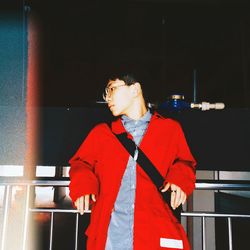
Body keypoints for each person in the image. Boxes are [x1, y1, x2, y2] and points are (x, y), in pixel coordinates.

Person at [69, 73, 196, 250]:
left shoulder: (170, 130)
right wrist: (83, 186)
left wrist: (179, 179)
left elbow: (185, 162)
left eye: (112, 89)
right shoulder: (102, 133)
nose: (108, 98)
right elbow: (80, 163)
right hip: (110, 238)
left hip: (154, 234)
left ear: (135, 89)